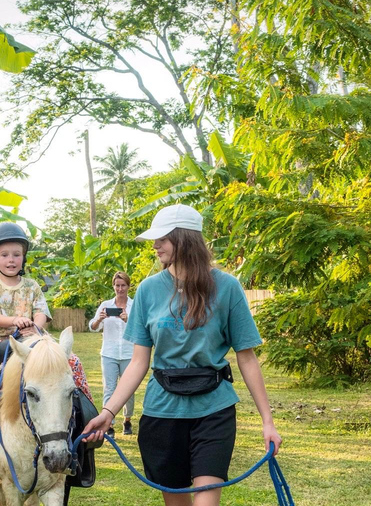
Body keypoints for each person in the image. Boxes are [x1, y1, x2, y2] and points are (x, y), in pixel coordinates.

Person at [83, 204, 282, 506]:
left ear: (185, 238)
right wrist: (108, 412)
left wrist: (268, 421)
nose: (155, 245)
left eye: (162, 238)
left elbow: (247, 357)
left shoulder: (227, 287)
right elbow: (138, 362)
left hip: (214, 408)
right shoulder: (149, 291)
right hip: (162, 412)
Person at [0, 222, 92, 405]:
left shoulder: (32, 285)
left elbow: (40, 312)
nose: (11, 260)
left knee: (74, 363)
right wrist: (16, 320)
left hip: (33, 339)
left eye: (16, 255)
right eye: (4, 255)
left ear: (23, 257)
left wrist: (35, 327)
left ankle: (86, 413)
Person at [89, 271, 135, 438]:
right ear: (113, 286)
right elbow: (92, 327)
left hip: (130, 354)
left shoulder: (134, 305)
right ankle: (109, 424)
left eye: (123, 285)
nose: (120, 289)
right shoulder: (105, 305)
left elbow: (140, 329)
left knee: (128, 390)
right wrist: (100, 319)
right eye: (117, 285)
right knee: (109, 388)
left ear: (128, 286)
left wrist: (127, 319)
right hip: (109, 353)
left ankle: (127, 419)